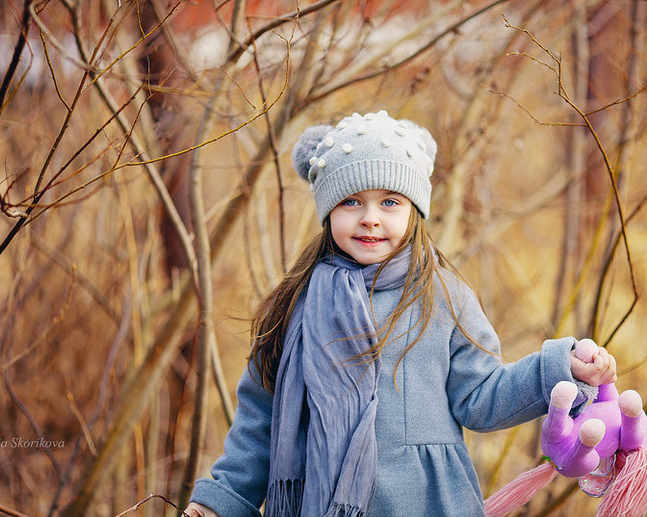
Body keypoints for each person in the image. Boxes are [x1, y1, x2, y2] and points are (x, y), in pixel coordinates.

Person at [184, 110, 617, 517]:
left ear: (415, 210)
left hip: (426, 501)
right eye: (351, 201)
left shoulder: (443, 296)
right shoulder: (297, 303)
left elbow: (481, 397)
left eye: (390, 202)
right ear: (327, 210)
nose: (370, 219)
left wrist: (558, 369)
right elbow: (259, 420)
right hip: (320, 501)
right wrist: (220, 501)